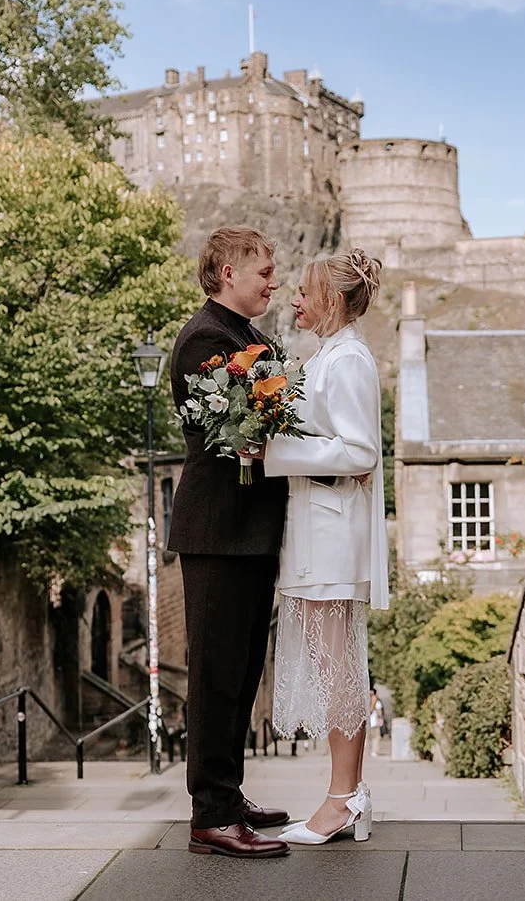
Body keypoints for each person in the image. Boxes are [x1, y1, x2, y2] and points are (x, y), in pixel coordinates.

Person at [168, 227, 293, 859]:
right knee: (217, 673)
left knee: (243, 672)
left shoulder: (253, 338)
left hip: (249, 530)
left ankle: (228, 791)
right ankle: (210, 815)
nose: (273, 282)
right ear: (225, 272)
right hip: (218, 530)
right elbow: (230, 434)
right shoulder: (205, 341)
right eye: (263, 272)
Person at [260, 248, 390, 845]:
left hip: (333, 535)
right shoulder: (328, 356)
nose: (294, 300)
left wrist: (273, 453)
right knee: (331, 661)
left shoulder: (350, 361)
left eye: (304, 292)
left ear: (332, 301)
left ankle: (342, 800)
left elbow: (360, 450)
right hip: (317, 526)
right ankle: (348, 796)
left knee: (336, 664)